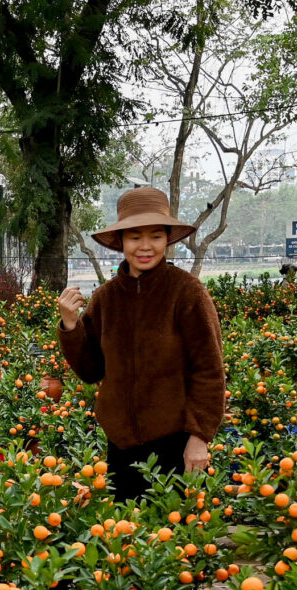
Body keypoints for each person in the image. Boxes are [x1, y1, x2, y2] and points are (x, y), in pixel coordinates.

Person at [58, 186, 225, 503]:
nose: (145, 246)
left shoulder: (186, 293)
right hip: (121, 445)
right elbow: (91, 369)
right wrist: (70, 325)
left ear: (167, 239)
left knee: (171, 539)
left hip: (174, 443)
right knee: (127, 540)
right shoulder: (106, 298)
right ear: (121, 241)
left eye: (155, 236)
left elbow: (209, 370)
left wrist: (199, 437)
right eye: (135, 237)